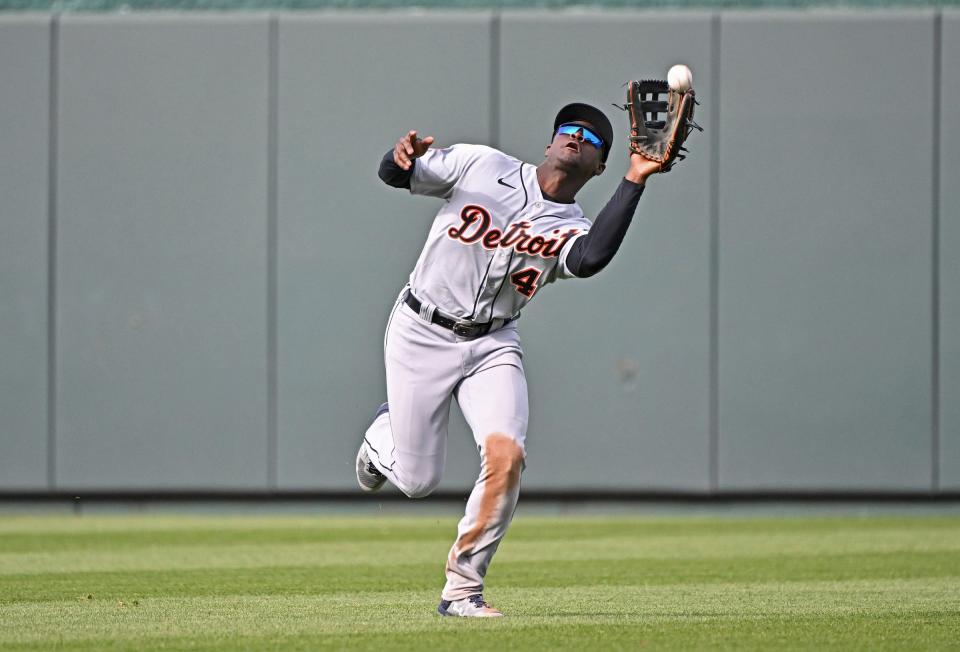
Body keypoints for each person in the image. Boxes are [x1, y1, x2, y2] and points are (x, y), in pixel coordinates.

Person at [355, 102, 663, 617]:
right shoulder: (481, 166)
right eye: (567, 128)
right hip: (421, 331)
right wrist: (398, 155)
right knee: (416, 482)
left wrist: (636, 178)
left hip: (492, 346)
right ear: (548, 143)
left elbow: (588, 260)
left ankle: (462, 590)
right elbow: (395, 174)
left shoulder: (571, 227)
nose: (577, 137)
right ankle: (379, 440)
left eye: (591, 138)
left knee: (507, 456)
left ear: (600, 166)